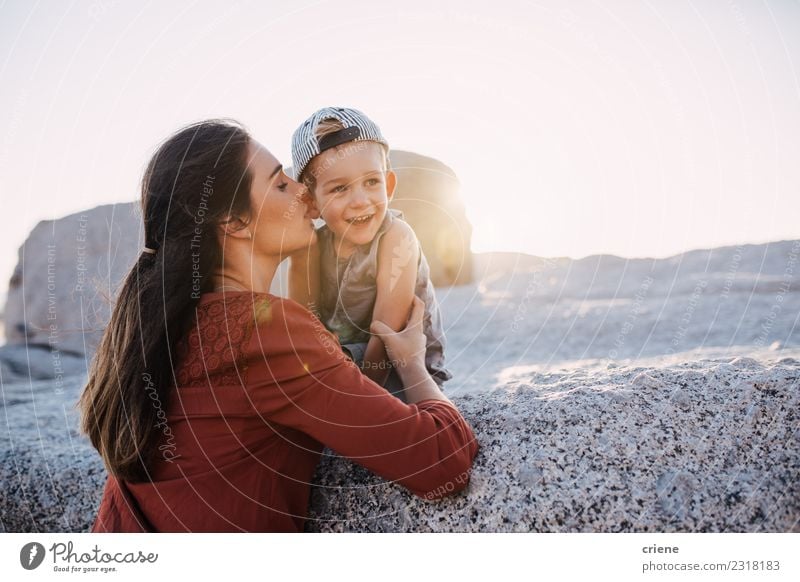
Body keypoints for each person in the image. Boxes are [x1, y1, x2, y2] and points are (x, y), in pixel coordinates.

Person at [78, 119, 478, 532]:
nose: (304, 191)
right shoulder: (266, 331)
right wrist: (411, 362)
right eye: (281, 184)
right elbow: (443, 459)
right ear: (235, 222)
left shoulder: (170, 324)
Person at [290, 107, 452, 401]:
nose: (361, 201)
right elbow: (303, 324)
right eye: (340, 188)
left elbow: (384, 336)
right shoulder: (311, 248)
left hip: (400, 367)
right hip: (343, 364)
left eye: (371, 182)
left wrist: (354, 402)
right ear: (312, 203)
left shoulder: (396, 237)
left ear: (389, 186)